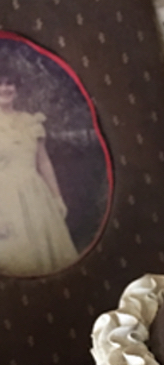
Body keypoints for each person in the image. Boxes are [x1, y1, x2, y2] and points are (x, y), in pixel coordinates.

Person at [0, 68, 78, 276]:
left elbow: (43, 162)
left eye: (10, 84)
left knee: (48, 256)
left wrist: (57, 197)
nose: (5, 88)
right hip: (5, 199)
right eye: (0, 84)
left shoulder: (30, 121)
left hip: (36, 195)